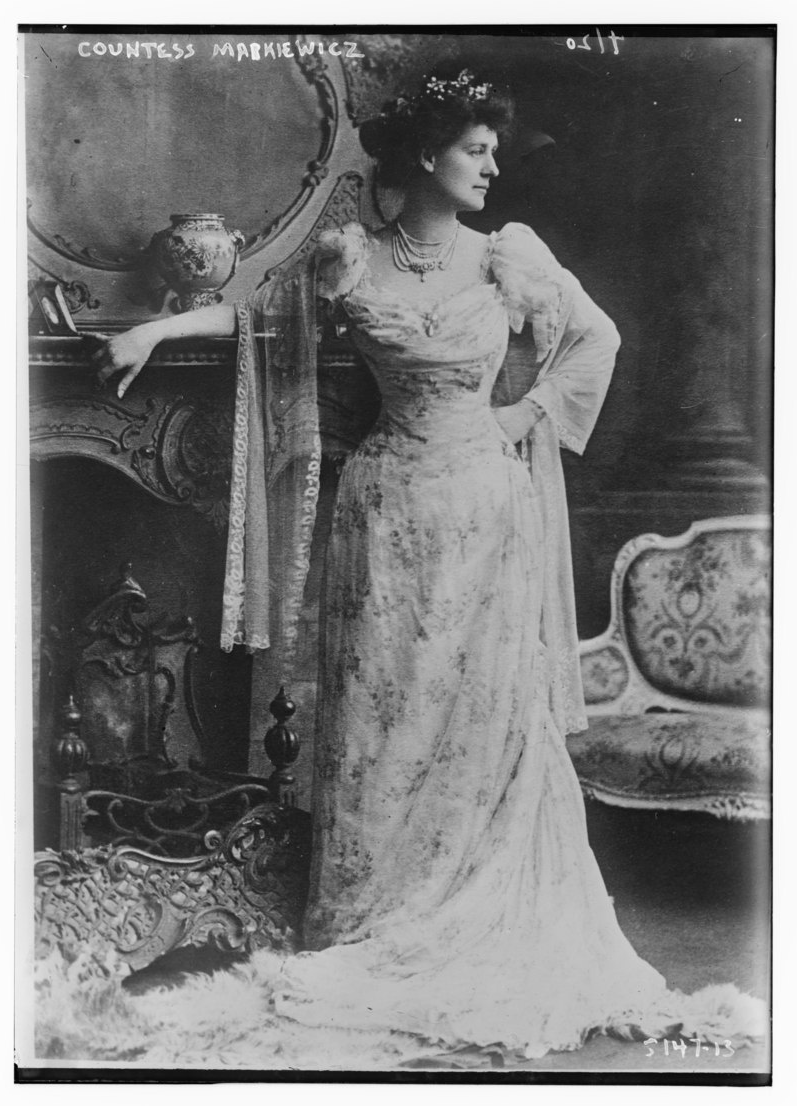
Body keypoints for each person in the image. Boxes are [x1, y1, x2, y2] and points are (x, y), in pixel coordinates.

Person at [92, 70, 765, 1069]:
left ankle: (475, 907)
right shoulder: (347, 257)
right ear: (425, 155)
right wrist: (154, 325)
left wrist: (522, 413)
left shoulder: (507, 257)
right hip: (386, 511)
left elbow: (596, 337)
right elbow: (262, 322)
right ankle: (376, 916)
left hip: (487, 510)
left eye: (493, 153)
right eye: (474, 150)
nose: (491, 168)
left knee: (482, 715)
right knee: (386, 716)